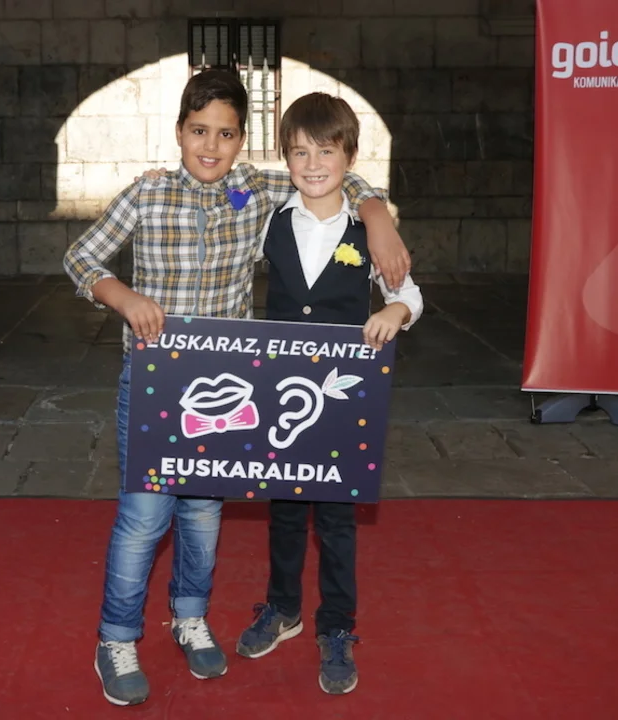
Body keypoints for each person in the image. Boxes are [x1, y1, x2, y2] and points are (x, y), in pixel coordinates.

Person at [62, 70, 411, 707]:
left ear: (242, 140)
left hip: (226, 390)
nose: (211, 146)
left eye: (225, 134)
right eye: (199, 131)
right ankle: (116, 638)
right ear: (178, 131)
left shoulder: (255, 189)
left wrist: (377, 218)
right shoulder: (146, 193)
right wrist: (123, 297)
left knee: (202, 513)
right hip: (155, 385)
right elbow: (80, 257)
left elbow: (333, 172)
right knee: (144, 518)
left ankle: (190, 617)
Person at [235, 92, 424, 696]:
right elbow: (224, 201)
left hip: (342, 401)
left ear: (349, 156)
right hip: (281, 395)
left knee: (338, 521)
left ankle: (337, 624)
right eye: (299, 153)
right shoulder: (270, 218)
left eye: (326, 151)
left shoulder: (366, 230)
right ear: (285, 159)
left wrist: (393, 310)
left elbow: (409, 293)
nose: (313, 164)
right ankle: (282, 607)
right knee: (284, 510)